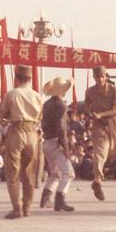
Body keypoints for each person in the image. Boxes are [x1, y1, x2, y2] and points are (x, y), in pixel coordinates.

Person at [0, 65, 43, 219]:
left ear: (16, 78)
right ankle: (27, 207)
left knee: (13, 171)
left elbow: (2, 114)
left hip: (16, 131)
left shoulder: (12, 94)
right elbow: (40, 116)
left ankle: (17, 208)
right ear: (30, 79)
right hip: (32, 132)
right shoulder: (37, 96)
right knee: (29, 171)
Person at [84, 66, 116, 201]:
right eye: (97, 77)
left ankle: (99, 176)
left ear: (106, 77)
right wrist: (91, 115)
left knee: (113, 151)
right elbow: (87, 107)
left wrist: (101, 114)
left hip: (113, 124)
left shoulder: (113, 90)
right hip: (99, 126)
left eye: (102, 76)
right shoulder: (90, 92)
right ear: (94, 78)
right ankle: (97, 180)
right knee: (100, 152)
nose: (100, 79)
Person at [40, 76, 75, 212]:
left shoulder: (47, 104)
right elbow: (61, 128)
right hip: (56, 142)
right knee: (69, 173)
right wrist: (65, 147)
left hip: (47, 142)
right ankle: (60, 200)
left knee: (55, 173)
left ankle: (45, 199)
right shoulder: (61, 105)